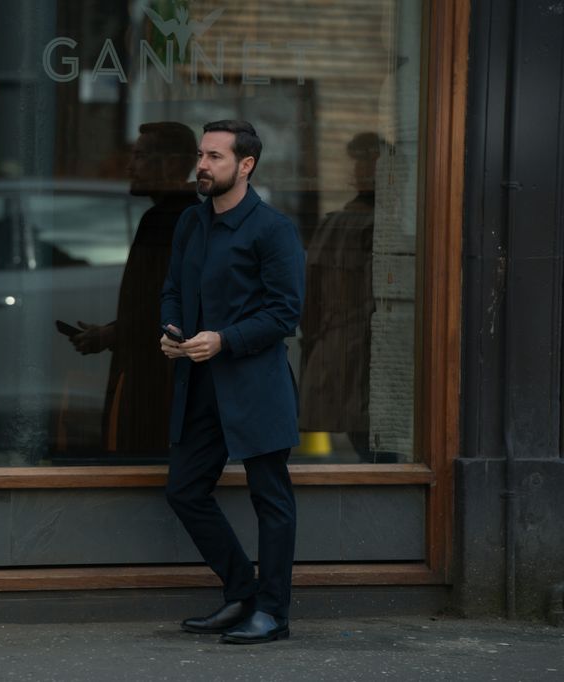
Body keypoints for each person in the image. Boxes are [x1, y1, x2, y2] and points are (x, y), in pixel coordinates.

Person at [160, 120, 304, 644]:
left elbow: (285, 313)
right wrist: (172, 331)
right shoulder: (190, 224)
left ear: (246, 166)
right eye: (201, 154)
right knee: (184, 490)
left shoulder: (272, 229)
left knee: (271, 500)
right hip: (200, 384)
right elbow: (173, 289)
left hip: (256, 386)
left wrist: (224, 339)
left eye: (215, 157)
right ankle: (242, 592)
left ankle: (274, 613)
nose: (203, 165)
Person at [69, 122, 199, 455]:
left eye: (140, 157)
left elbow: (168, 302)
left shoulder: (172, 219)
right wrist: (113, 331)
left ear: (170, 163)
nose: (130, 167)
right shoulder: (175, 216)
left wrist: (114, 334)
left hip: (157, 375)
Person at [299, 132, 390, 462]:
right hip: (346, 355)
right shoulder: (343, 225)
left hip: (362, 358)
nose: (365, 171)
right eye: (362, 164)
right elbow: (311, 300)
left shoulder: (393, 224)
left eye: (372, 164)